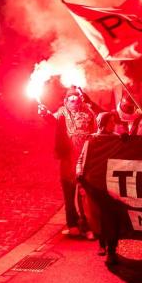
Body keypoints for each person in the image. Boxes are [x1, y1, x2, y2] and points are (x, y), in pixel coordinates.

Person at [39, 89, 96, 237]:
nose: (73, 102)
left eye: (76, 99)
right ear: (66, 100)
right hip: (67, 159)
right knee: (69, 193)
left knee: (84, 194)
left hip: (85, 158)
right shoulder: (62, 112)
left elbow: (95, 131)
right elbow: (53, 120)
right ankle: (72, 224)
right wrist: (45, 113)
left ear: (80, 99)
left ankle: (88, 226)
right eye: (70, 99)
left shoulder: (89, 112)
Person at [77, 112, 119, 260]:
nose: (113, 124)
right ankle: (102, 244)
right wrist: (80, 175)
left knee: (112, 216)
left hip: (111, 184)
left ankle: (112, 247)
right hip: (95, 183)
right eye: (111, 122)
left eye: (114, 122)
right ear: (102, 123)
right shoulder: (93, 139)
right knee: (98, 215)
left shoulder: (116, 139)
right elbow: (82, 158)